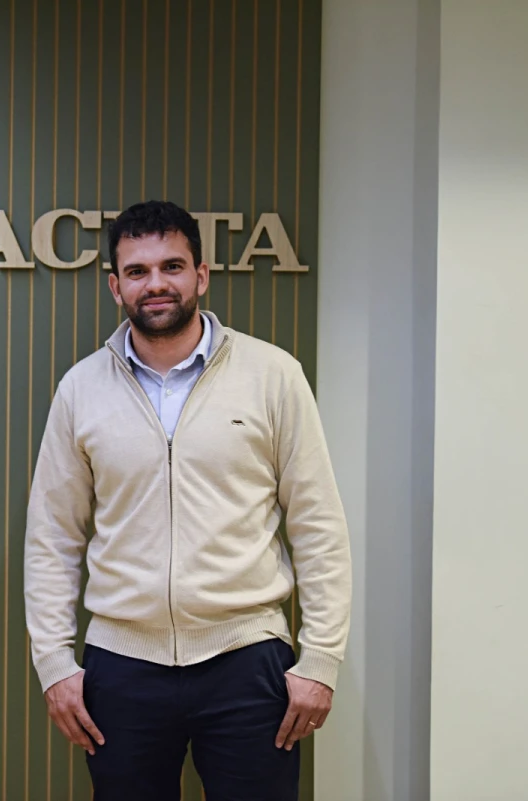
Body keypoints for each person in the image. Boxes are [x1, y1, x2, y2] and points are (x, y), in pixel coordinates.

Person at [24, 200, 351, 800]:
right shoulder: (81, 389)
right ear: (115, 286)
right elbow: (52, 535)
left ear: (201, 275)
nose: (156, 284)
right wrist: (54, 664)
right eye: (137, 271)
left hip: (248, 658)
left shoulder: (273, 375)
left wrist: (320, 661)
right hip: (123, 666)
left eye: (171, 266)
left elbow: (318, 524)